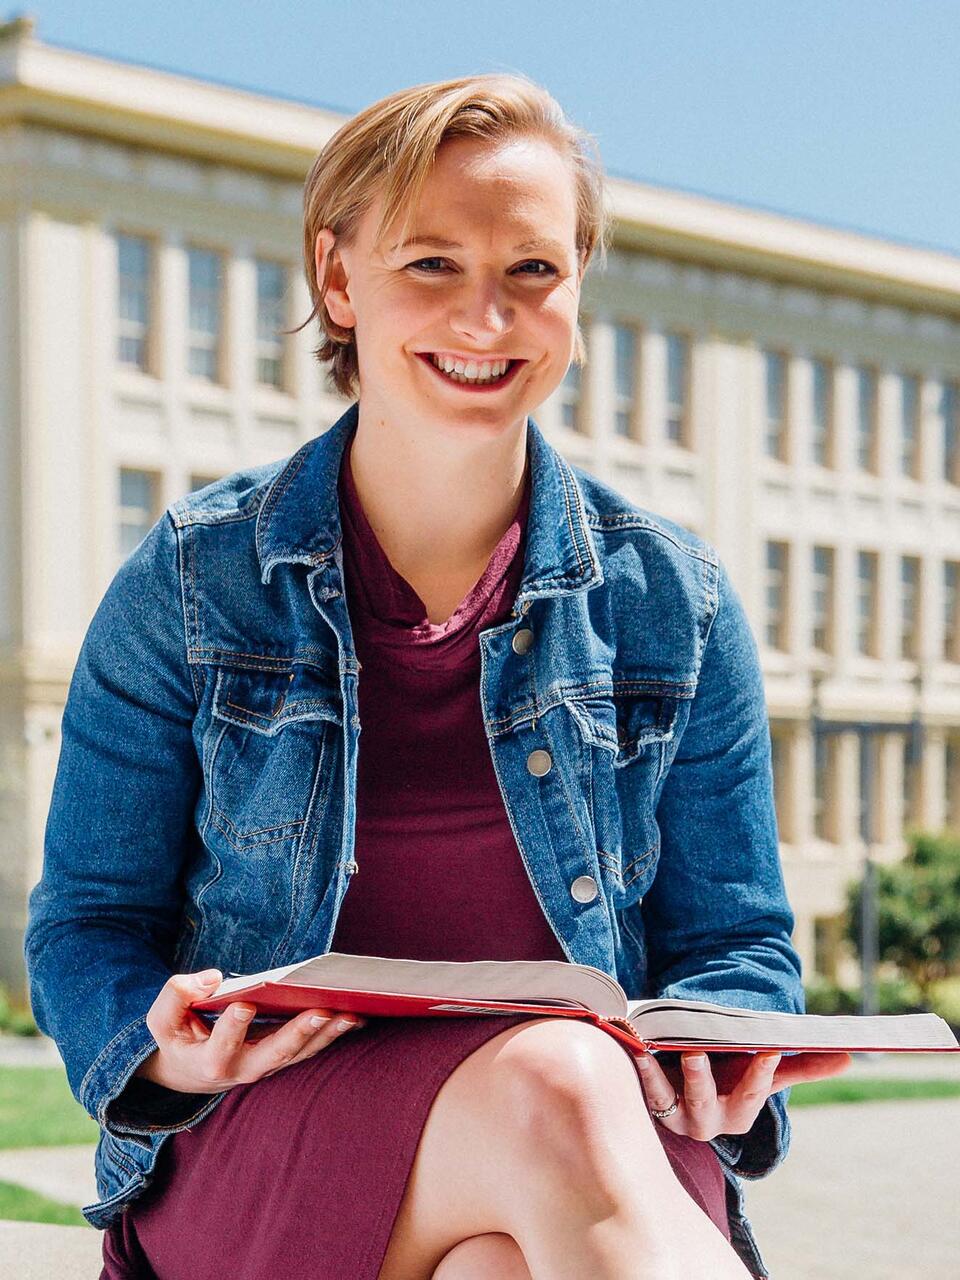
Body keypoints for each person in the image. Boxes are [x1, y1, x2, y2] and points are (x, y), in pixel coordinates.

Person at [25, 73, 850, 1280]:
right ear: (338, 279)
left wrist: (728, 1049)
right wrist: (162, 1051)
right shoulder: (196, 583)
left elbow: (737, 940)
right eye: (431, 265)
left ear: (575, 291)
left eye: (532, 270)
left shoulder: (678, 603)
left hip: (606, 1150)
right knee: (559, 1075)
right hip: (273, 1132)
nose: (486, 318)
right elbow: (88, 924)